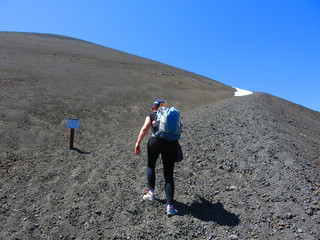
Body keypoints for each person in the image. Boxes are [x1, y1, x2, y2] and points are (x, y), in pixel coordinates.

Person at [134, 99, 179, 216]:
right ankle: (170, 206)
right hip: (171, 143)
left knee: (151, 165)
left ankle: (151, 193)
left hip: (155, 141)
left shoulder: (152, 115)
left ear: (154, 107)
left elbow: (145, 128)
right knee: (168, 175)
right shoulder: (170, 115)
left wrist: (138, 143)